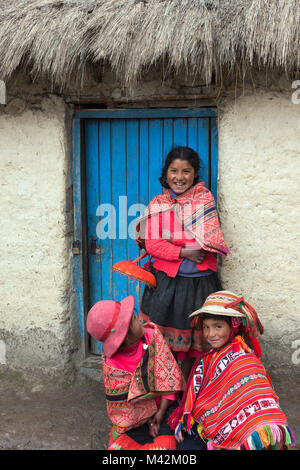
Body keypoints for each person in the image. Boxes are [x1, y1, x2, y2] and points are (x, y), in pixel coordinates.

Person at [135, 146, 229, 379]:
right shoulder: (158, 204)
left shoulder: (204, 200)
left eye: (186, 171)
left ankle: (192, 394)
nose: (179, 177)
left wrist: (169, 237)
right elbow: (153, 245)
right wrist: (184, 251)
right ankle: (168, 392)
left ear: (195, 174)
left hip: (200, 284)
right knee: (164, 345)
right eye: (173, 171)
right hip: (167, 284)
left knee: (196, 348)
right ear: (166, 173)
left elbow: (206, 243)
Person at [168, 290, 295, 450]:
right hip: (211, 428)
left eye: (218, 326)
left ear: (234, 325)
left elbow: (258, 407)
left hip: (243, 437)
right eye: (206, 327)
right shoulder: (210, 358)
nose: (210, 334)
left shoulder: (245, 361)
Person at [86, 295, 185, 450]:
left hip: (165, 407)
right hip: (135, 418)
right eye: (133, 319)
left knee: (165, 446)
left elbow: (169, 379)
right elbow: (123, 405)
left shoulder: (152, 337)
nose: (140, 319)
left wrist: (159, 414)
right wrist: (148, 421)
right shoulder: (113, 364)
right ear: (124, 336)